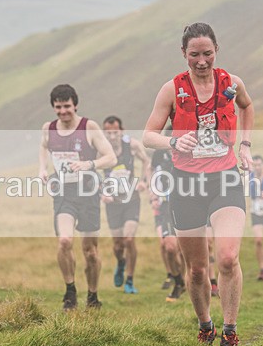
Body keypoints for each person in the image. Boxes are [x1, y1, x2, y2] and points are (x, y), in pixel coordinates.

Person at [142, 22, 254, 346]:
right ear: (183, 54)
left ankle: (230, 329)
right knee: (196, 269)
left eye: (207, 53)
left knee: (228, 257)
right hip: (186, 184)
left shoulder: (231, 83)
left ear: (216, 50)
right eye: (194, 55)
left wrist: (245, 146)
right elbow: (148, 136)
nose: (201, 61)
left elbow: (246, 107)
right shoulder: (171, 90)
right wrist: (173, 142)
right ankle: (205, 323)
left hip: (225, 178)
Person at [38, 84, 116, 311]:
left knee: (90, 251)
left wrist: (88, 164)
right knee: (64, 240)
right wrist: (43, 169)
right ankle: (70, 292)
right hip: (63, 193)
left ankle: (92, 296)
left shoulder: (88, 127)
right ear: (54, 107)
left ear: (76, 105)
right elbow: (43, 148)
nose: (63, 112)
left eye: (67, 107)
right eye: (58, 107)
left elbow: (110, 157)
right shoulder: (49, 128)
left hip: (88, 193)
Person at [102, 116, 150, 295]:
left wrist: (144, 181)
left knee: (129, 239)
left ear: (121, 130)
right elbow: (90, 170)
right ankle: (121, 262)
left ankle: (130, 279)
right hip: (112, 202)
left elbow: (146, 161)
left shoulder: (132, 145)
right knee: (118, 244)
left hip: (131, 198)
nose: (112, 136)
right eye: (108, 132)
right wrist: (102, 192)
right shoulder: (101, 148)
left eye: (115, 132)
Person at [149, 133, 187, 302]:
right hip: (167, 206)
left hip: (190, 204)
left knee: (188, 249)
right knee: (169, 247)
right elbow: (153, 172)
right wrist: (154, 194)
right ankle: (178, 281)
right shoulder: (159, 154)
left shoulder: (191, 149)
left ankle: (189, 280)